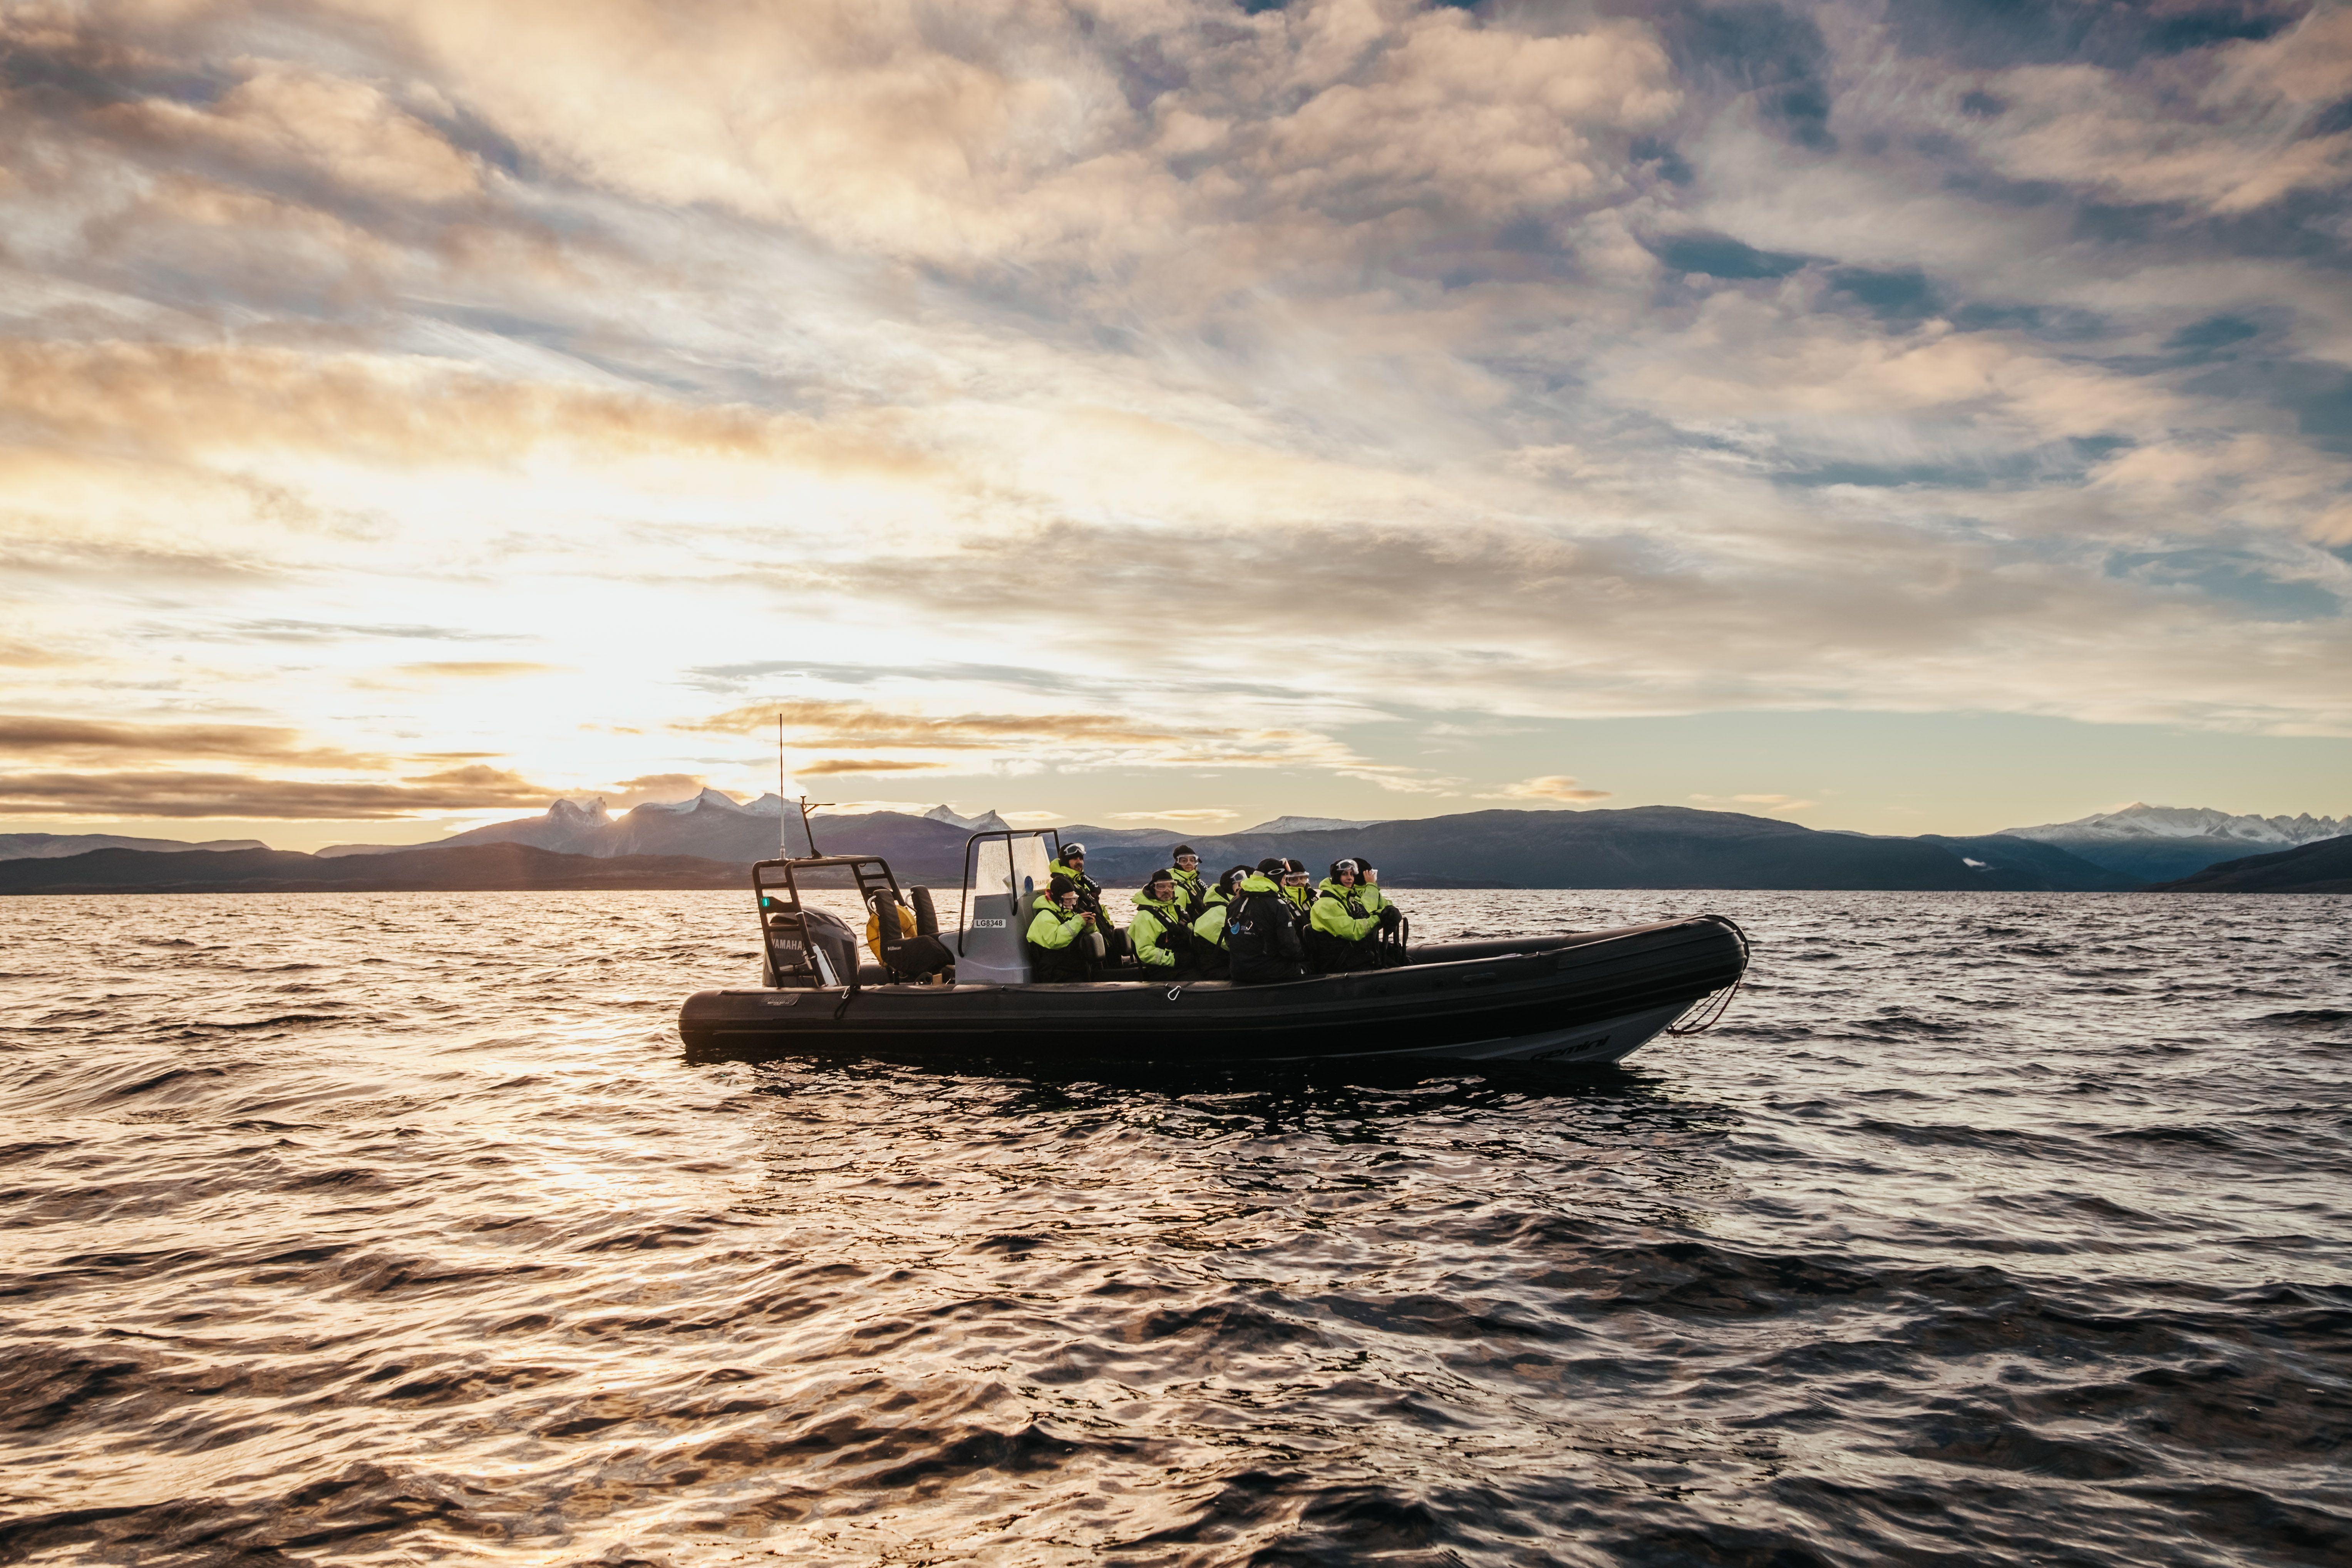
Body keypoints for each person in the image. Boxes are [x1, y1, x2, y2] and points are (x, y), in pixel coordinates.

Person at [1225, 857, 1305, 984]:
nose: (1284, 884)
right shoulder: (1278, 904)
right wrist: (1303, 956)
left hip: (1238, 972)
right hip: (1270, 972)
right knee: (1307, 970)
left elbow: (1229, 939)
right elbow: (1289, 947)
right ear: (1276, 878)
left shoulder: (1235, 901)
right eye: (1284, 879)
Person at [1050, 843, 1126, 962]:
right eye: (1075, 859)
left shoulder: (1083, 883)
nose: (1079, 862)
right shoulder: (1060, 885)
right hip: (1087, 949)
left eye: (1081, 858)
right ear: (1065, 861)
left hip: (1104, 941)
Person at [1307, 859, 1382, 973]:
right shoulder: (1326, 905)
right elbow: (1353, 931)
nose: (1350, 878)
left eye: (1352, 874)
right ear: (1337, 877)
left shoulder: (1348, 900)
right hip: (1340, 964)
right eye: (1345, 874)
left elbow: (1365, 917)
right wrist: (1378, 918)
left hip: (1353, 959)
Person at [1024, 873, 1097, 982]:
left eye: (1074, 899)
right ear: (1057, 898)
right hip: (1055, 974)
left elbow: (1074, 933)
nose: (1072, 904)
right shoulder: (1044, 916)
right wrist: (1078, 922)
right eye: (1068, 900)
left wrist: (1090, 926)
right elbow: (1056, 941)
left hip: (1071, 970)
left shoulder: (1068, 913)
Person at [1127, 868, 1193, 975]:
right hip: (1163, 971)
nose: (1167, 890)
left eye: (1171, 886)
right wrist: (1176, 959)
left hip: (1185, 965)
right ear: (1153, 889)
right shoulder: (1145, 917)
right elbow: (1145, 952)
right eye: (1161, 886)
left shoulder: (1177, 910)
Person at [1188, 865, 1249, 980]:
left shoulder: (1228, 907)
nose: (1244, 890)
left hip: (1226, 964)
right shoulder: (1217, 914)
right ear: (1229, 888)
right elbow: (1234, 945)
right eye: (1240, 886)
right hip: (1216, 969)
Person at [1168, 846, 1207, 918]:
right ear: (1177, 863)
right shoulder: (1172, 882)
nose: (1189, 864)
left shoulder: (1193, 879)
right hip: (1192, 926)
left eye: (1192, 861)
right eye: (1184, 861)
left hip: (1204, 922)